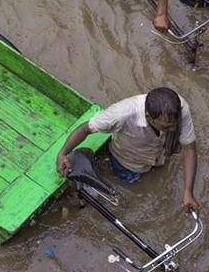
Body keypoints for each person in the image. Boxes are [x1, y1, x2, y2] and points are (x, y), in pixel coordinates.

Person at [55, 87, 199, 211]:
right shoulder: (120, 114)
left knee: (160, 167)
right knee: (130, 183)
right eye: (166, 127)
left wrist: (188, 192)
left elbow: (189, 150)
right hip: (128, 162)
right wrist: (62, 153)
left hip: (160, 153)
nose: (174, 129)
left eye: (175, 124)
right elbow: (86, 128)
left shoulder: (179, 108)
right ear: (149, 117)